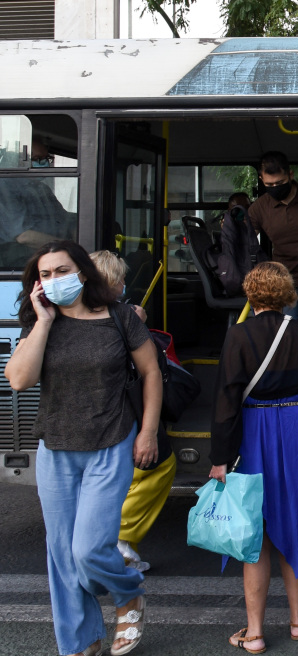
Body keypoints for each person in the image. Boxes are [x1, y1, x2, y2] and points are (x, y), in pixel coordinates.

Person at [4, 240, 161, 656]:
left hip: (110, 442)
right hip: (56, 448)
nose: (53, 279)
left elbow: (150, 372)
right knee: (61, 555)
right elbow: (18, 380)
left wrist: (148, 432)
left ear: (82, 272)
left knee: (88, 549)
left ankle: (128, 594)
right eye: (45, 274)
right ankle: (80, 642)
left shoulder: (119, 316)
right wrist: (41, 321)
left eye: (61, 270)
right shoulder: (40, 323)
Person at [209, 261, 298, 653]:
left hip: (254, 429)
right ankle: (297, 622)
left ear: (251, 293)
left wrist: (221, 457)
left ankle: (255, 632)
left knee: (253, 530)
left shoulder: (238, 336)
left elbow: (226, 399)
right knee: (295, 520)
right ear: (287, 293)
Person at [89, 250, 172, 573]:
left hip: (112, 413)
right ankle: (119, 539)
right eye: (120, 279)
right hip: (122, 411)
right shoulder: (121, 318)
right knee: (156, 466)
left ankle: (124, 546)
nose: (124, 284)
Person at [247, 151, 298, 319]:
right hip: (284, 285)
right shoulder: (259, 208)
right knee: (288, 335)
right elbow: (246, 242)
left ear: (290, 175)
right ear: (261, 180)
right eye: (270, 185)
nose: (275, 188)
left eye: (280, 183)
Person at [0, 138, 75, 266]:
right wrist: (67, 246)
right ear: (21, 161)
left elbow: (64, 219)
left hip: (52, 254)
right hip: (22, 260)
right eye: (38, 159)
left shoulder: (42, 188)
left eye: (46, 159)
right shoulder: (6, 186)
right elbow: (23, 236)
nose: (45, 164)